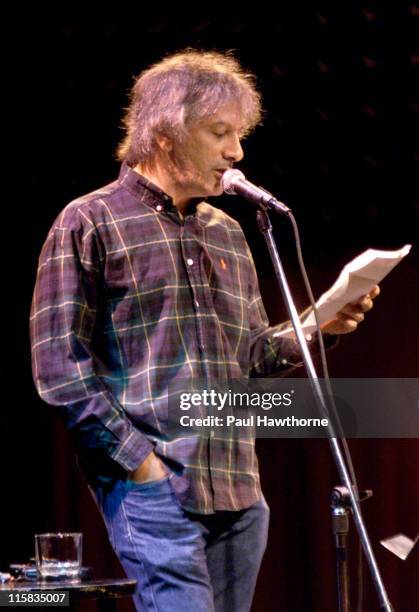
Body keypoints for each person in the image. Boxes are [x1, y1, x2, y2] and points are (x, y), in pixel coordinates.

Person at [30, 50, 380, 612]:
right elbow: (60, 370)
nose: (236, 152)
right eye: (220, 133)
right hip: (156, 486)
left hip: (239, 487)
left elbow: (253, 355)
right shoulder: (88, 221)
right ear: (167, 133)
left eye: (238, 135)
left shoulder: (228, 233)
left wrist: (320, 324)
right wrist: (139, 463)